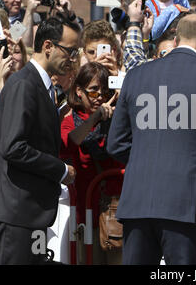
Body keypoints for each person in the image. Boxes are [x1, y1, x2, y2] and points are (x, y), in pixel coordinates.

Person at [106, 14, 196, 265]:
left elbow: (115, 142)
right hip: (186, 202)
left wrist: (144, 161)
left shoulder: (136, 76)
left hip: (137, 200)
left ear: (176, 38)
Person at [0, 15, 79, 265]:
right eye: (69, 50)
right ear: (48, 46)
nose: (73, 58)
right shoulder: (24, 84)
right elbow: (13, 146)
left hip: (30, 212)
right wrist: (59, 170)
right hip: (16, 212)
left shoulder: (42, 86)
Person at [60, 62, 123, 264]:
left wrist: (123, 101)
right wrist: (95, 119)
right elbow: (70, 141)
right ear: (79, 91)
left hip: (115, 215)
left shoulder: (118, 118)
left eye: (105, 91)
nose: (100, 98)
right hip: (85, 215)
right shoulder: (71, 120)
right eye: (94, 91)